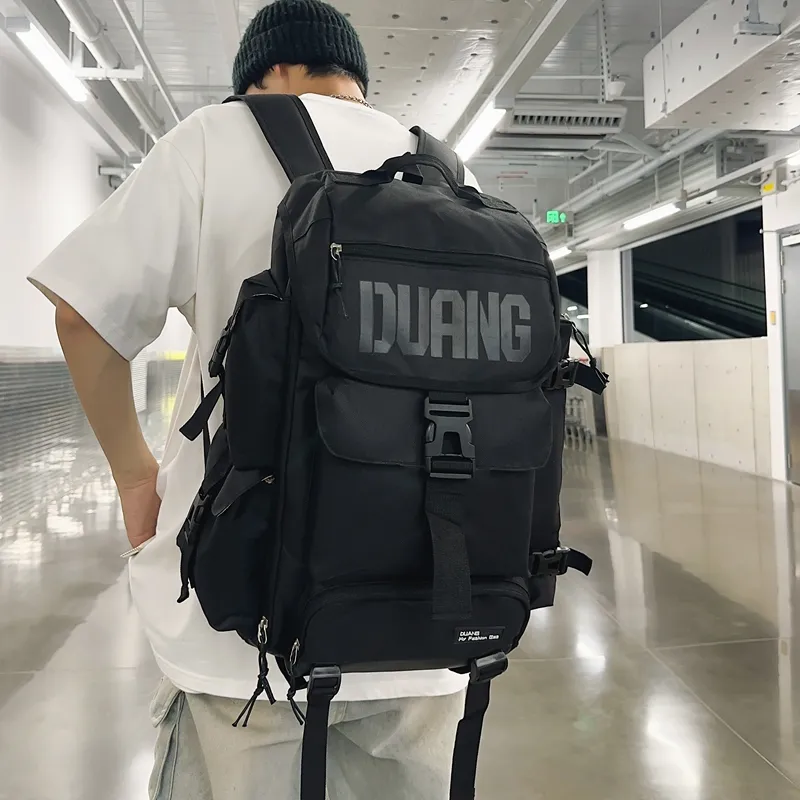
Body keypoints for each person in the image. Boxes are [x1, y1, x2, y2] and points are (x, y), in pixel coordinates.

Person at [29, 1, 480, 797]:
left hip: (248, 631)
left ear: (270, 71)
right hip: (433, 612)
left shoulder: (217, 137)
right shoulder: (447, 171)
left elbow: (81, 317)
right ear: (354, 77)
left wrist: (135, 478)